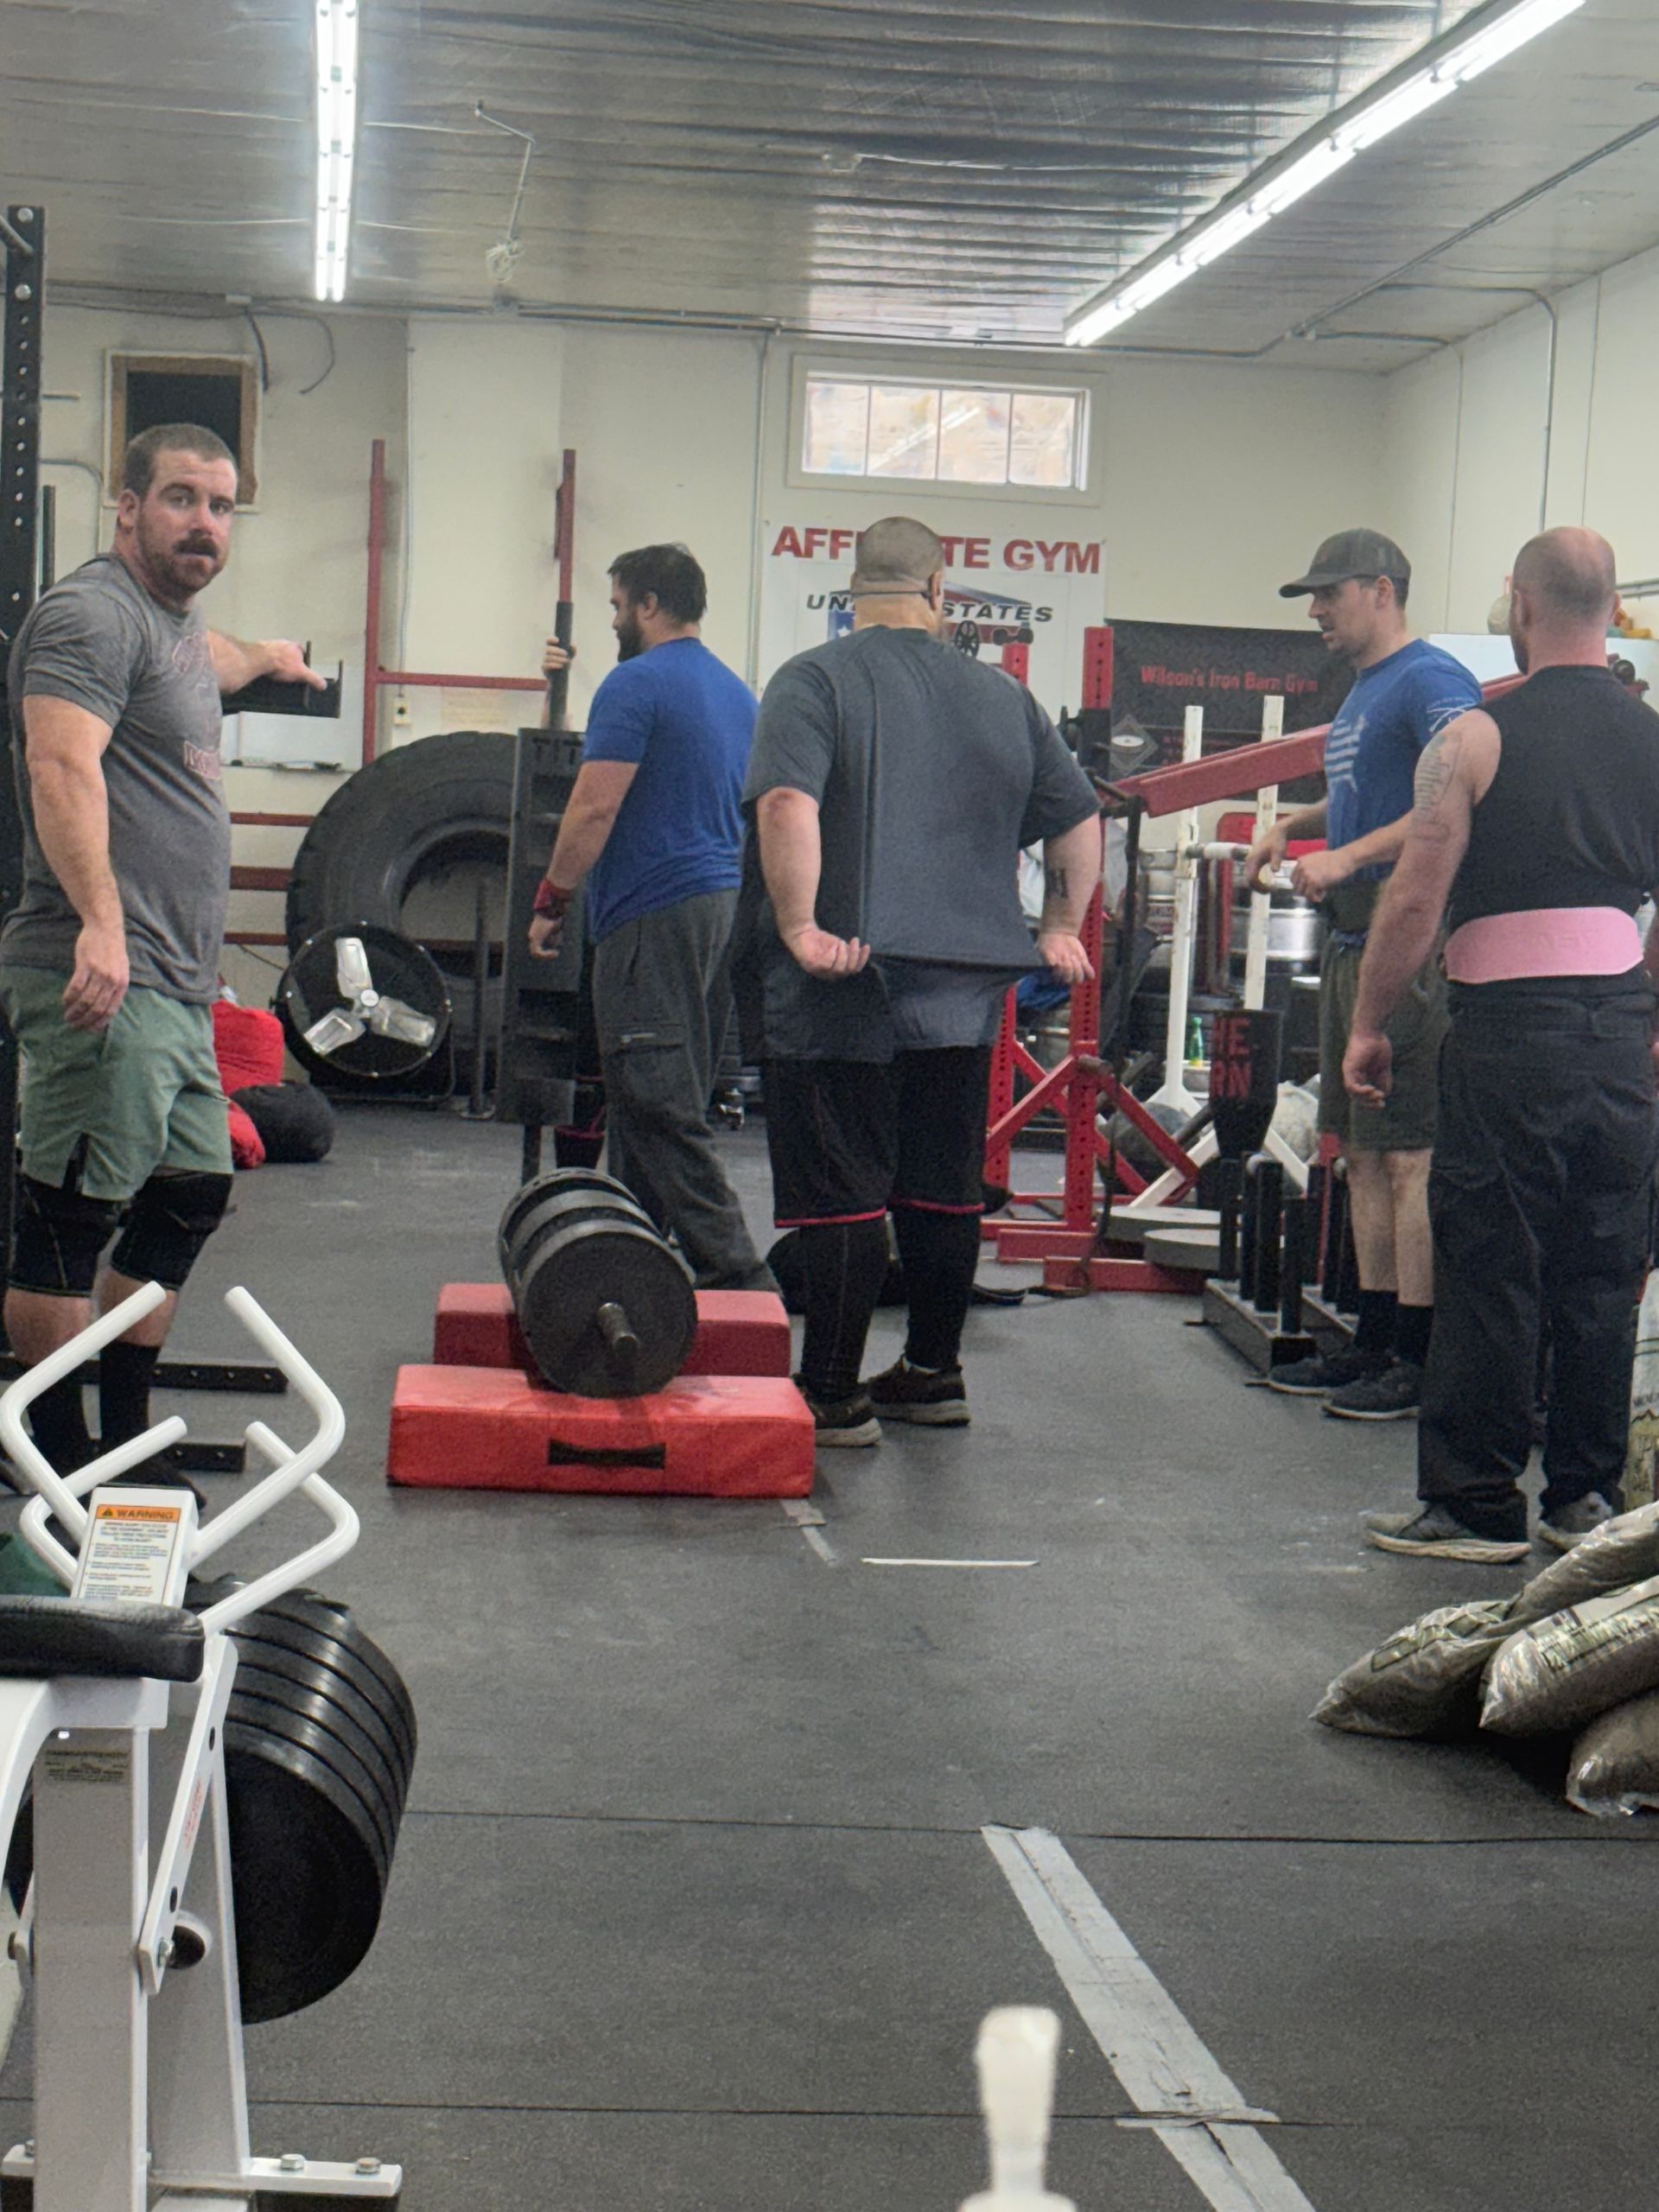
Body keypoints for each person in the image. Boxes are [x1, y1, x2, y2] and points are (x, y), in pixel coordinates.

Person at [2, 421, 323, 1486]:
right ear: (127, 505)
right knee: (69, 1213)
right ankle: (58, 1463)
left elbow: (218, 657)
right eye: (181, 498)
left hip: (176, 990)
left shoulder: (175, 627)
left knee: (187, 1192)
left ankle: (126, 1438)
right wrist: (100, 919)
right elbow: (60, 765)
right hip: (102, 970)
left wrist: (272, 657)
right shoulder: (92, 614)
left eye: (222, 505)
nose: (204, 523)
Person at [743, 516, 1101, 1443]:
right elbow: (1078, 815)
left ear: (851, 590)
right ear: (941, 590)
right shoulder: (1003, 698)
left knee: (844, 1193)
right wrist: (1060, 925)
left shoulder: (812, 679)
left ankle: (832, 1392)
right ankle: (933, 1374)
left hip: (846, 985)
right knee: (942, 1186)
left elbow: (787, 801)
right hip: (965, 988)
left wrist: (799, 926)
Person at [1349, 527, 1659, 1561]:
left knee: (1491, 1262)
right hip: (1618, 1036)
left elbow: (1416, 894)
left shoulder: (1476, 736)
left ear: (1520, 604)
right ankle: (1584, 1500)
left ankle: (1476, 1503)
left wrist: (1370, 1023)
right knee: (1603, 1268)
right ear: (1613, 610)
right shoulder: (1655, 735)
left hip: (1508, 1033)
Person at [1249, 529, 1482, 1421]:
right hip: (1351, 945)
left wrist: (1345, 858)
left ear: (1380, 590)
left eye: (1327, 594)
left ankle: (1416, 1359)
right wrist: (1295, 822)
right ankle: (1375, 1340)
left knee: (1412, 1158)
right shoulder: (1366, 690)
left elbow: (1451, 800)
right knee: (1363, 1160)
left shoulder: (1432, 680)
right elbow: (1374, 790)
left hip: (1407, 942)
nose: (1315, 612)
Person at [528, 543, 772, 1290]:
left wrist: (552, 900)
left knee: (657, 1099)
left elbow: (595, 804)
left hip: (652, 909)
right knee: (650, 1089)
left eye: (616, 605)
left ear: (648, 606)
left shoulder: (634, 684)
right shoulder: (737, 692)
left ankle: (735, 1269)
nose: (613, 619)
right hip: (715, 905)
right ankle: (637, 1254)